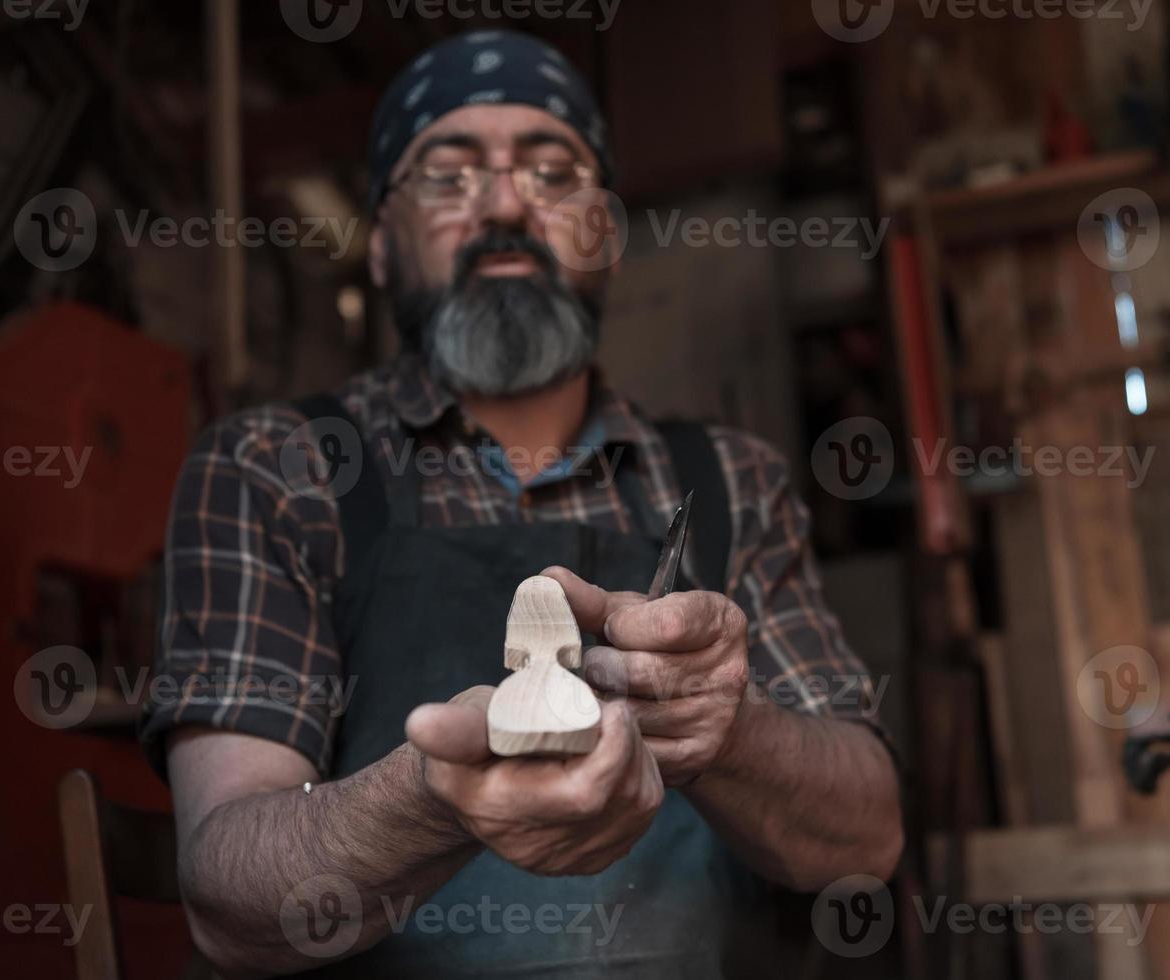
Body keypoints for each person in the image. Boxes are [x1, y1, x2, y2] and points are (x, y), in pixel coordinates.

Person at [140, 29, 901, 979]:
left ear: (608, 233)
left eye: (553, 172)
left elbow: (866, 838)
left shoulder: (728, 479)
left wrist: (727, 732)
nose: (505, 204)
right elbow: (225, 897)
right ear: (379, 245)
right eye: (449, 176)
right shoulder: (274, 468)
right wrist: (430, 797)